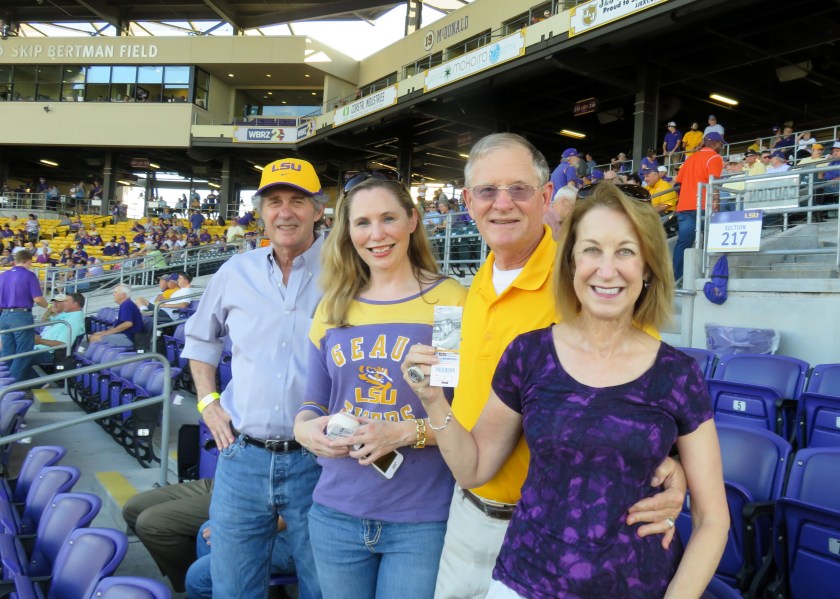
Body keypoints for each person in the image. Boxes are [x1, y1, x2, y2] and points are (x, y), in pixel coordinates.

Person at [403, 183, 729, 598]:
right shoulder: (529, 353)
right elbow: (473, 469)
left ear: (648, 267)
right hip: (523, 582)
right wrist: (433, 401)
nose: (607, 270)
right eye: (592, 250)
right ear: (571, 262)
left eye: (625, 251)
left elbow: (712, 519)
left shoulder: (678, 374)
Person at [293, 175, 466, 599]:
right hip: (336, 513)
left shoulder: (448, 300)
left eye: (388, 218)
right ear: (348, 232)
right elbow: (314, 401)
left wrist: (405, 432)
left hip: (421, 518)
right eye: (363, 222)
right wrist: (304, 428)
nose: (377, 234)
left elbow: (464, 415)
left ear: (412, 220)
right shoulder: (332, 305)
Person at [181, 158, 327, 599]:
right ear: (261, 211)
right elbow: (200, 340)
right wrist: (208, 403)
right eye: (274, 201)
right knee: (232, 589)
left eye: (297, 200)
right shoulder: (235, 271)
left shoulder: (347, 269)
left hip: (320, 462)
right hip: (242, 457)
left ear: (318, 209)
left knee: (324, 588)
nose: (285, 212)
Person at [123, 479, 215, 593]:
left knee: (150, 523)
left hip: (235, 496)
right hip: (221, 480)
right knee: (132, 508)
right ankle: (188, 581)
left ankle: (197, 584)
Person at [186, 516, 297, 599]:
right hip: (277, 516)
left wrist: (243, 532)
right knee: (206, 531)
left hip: (296, 535)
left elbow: (295, 513)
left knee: (198, 577)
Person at [672, 131, 725, 281]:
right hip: (702, 205)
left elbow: (678, 181)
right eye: (721, 144)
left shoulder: (690, 158)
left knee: (684, 243)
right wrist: (716, 200)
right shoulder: (715, 157)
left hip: (684, 207)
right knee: (711, 240)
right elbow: (714, 182)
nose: (721, 147)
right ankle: (710, 275)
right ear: (714, 143)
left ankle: (677, 279)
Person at [0, 250, 49, 381]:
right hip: (21, 316)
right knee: (24, 352)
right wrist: (49, 306)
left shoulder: (3, 276)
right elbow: (38, 299)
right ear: (28, 261)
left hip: (4, 316)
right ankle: (11, 385)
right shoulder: (29, 275)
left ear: (15, 261)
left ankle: (2, 382)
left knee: (7, 351)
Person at [31, 292, 86, 371]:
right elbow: (45, 321)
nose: (64, 303)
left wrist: (40, 341)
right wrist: (50, 309)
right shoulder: (68, 315)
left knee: (19, 357)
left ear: (76, 304)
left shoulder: (73, 321)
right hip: (41, 348)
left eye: (66, 301)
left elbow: (63, 344)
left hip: (48, 352)